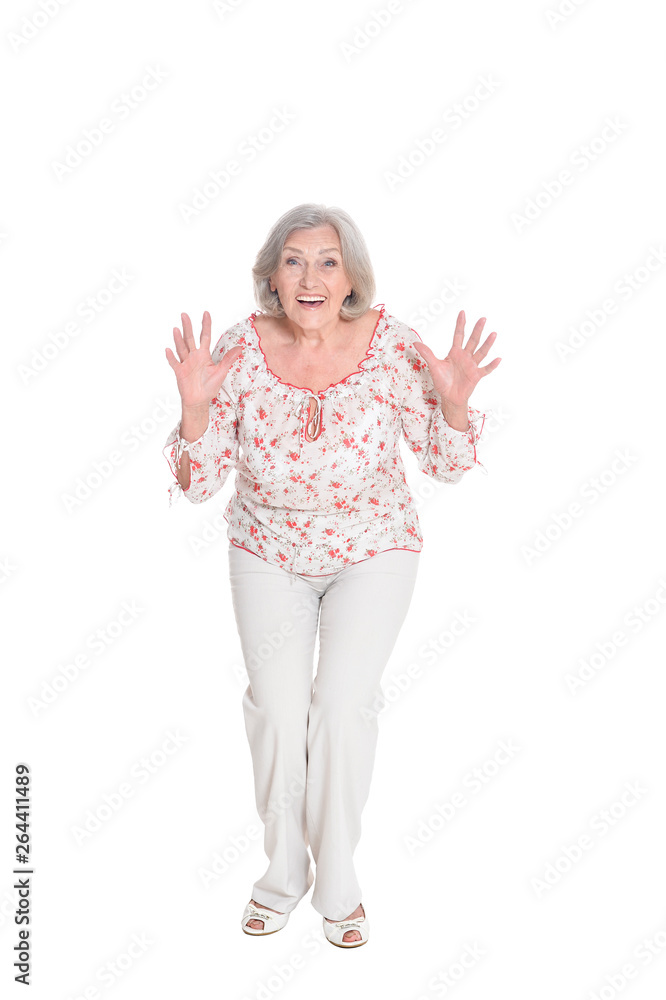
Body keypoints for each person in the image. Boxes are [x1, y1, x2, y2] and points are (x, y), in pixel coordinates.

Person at [162, 203, 501, 947]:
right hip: (268, 548)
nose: (309, 276)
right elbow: (199, 484)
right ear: (271, 278)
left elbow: (444, 466)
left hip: (373, 547)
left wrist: (452, 405)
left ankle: (338, 880)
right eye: (293, 261)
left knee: (342, 709)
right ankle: (282, 875)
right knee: (279, 714)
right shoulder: (240, 349)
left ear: (351, 278)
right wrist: (193, 411)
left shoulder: (391, 345)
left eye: (327, 260)